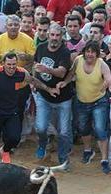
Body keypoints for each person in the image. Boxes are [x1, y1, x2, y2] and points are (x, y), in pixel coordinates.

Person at [0, 52, 49, 163]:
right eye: (9, 64)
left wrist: (48, 89)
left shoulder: (22, 73)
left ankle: (5, 150)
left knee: (15, 138)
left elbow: (33, 81)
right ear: (3, 64)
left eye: (14, 64)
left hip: (12, 111)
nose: (11, 67)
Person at [60, 41, 111, 172]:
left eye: (93, 52)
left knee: (100, 129)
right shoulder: (78, 60)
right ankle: (88, 150)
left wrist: (108, 84)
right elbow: (71, 74)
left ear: (97, 54)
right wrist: (65, 82)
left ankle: (105, 159)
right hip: (81, 101)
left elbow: (109, 79)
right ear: (84, 52)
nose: (90, 54)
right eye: (88, 51)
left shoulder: (102, 64)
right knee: (83, 129)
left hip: (99, 102)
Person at [33, 22, 73, 168]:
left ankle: (62, 158)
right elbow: (35, 67)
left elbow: (62, 72)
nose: (54, 38)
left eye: (57, 35)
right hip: (43, 95)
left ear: (62, 37)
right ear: (48, 35)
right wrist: (34, 81)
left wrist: (47, 69)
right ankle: (43, 145)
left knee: (64, 132)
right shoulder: (41, 47)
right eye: (52, 35)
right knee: (41, 128)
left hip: (63, 97)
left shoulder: (64, 51)